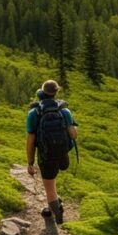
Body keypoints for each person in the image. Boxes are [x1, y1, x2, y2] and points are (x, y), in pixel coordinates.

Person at [26, 80, 78, 224]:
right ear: (56, 92)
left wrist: (30, 162)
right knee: (52, 182)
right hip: (63, 155)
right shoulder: (64, 111)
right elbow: (73, 135)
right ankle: (53, 203)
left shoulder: (34, 113)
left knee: (49, 188)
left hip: (46, 155)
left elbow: (30, 141)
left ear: (42, 92)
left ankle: (57, 214)